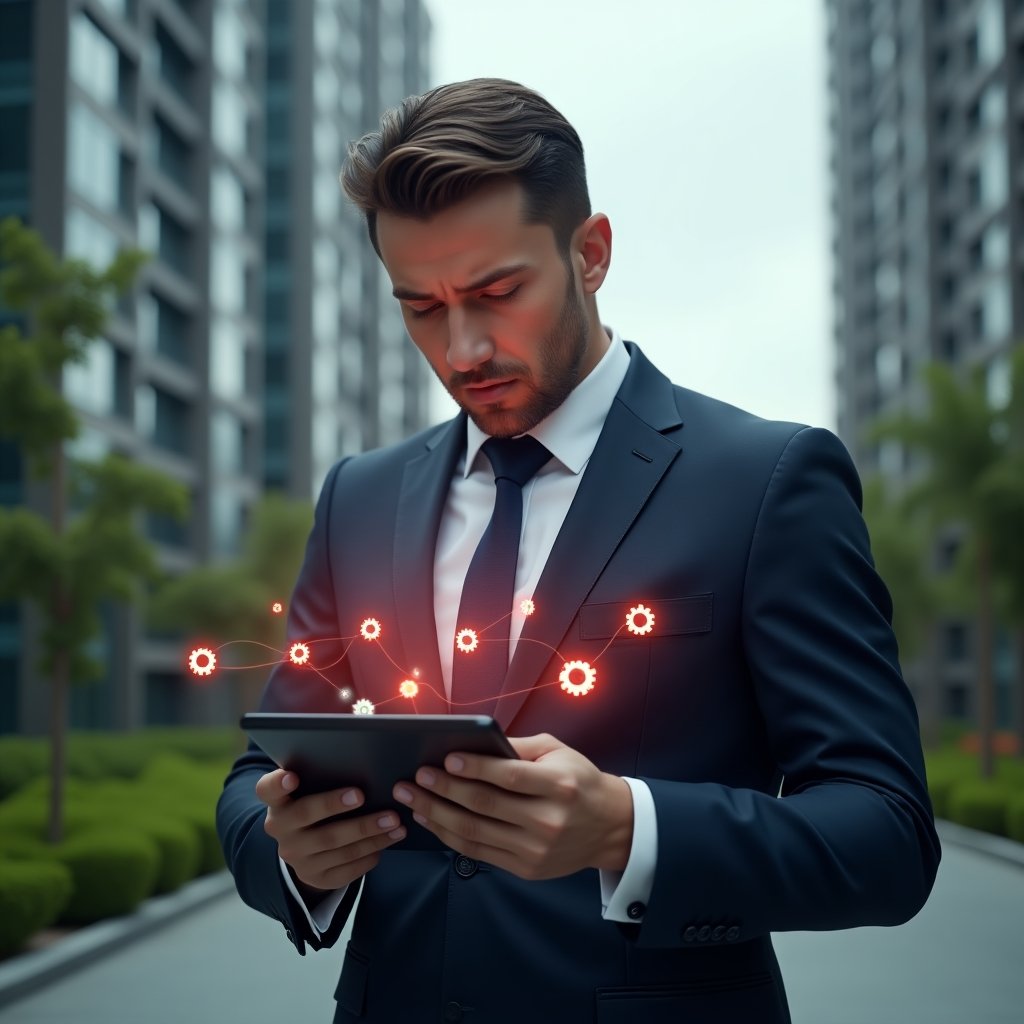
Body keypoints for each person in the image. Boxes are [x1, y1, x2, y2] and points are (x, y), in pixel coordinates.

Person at [217, 78, 940, 1024]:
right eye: (421, 307)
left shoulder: (767, 480)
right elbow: (253, 779)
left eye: (496, 291)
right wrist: (292, 854)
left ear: (590, 253)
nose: (463, 347)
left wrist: (628, 828)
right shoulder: (359, 496)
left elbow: (885, 835)